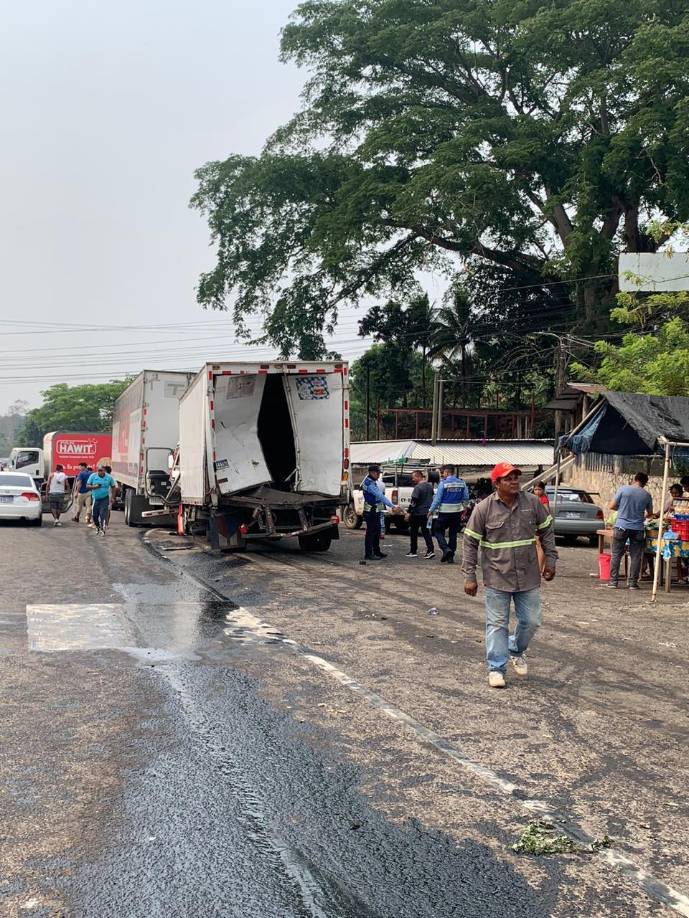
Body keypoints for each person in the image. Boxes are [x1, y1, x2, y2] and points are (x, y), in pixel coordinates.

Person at [462, 462, 557, 689]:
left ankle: (515, 649)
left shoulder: (532, 503)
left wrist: (551, 560)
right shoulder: (483, 509)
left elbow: (547, 531)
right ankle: (496, 667)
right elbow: (470, 542)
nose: (515, 481)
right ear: (497, 484)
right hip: (497, 577)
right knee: (497, 624)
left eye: (516, 477)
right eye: (508, 478)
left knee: (532, 621)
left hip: (528, 575)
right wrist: (469, 575)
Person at [607, 472, 654, 590]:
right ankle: (632, 583)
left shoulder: (623, 489)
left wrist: (622, 508)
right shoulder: (646, 495)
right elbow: (650, 514)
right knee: (636, 556)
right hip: (638, 528)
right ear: (645, 483)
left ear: (634, 479)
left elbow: (611, 506)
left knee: (616, 554)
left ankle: (613, 582)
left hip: (621, 526)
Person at [428, 464, 470, 563]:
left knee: (437, 531)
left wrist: (431, 510)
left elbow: (437, 499)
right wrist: (463, 508)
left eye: (443, 473)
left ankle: (446, 549)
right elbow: (466, 498)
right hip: (456, 512)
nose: (443, 475)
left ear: (446, 472)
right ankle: (450, 557)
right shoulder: (462, 483)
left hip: (444, 512)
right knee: (453, 534)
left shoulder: (443, 483)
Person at [361, 465, 400, 561]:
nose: (379, 475)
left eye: (379, 473)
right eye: (377, 473)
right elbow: (380, 496)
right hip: (371, 512)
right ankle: (368, 554)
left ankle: (376, 551)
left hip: (376, 511)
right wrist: (392, 506)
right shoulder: (369, 483)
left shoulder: (373, 482)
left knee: (377, 532)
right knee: (371, 533)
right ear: (371, 473)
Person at [406, 470, 435, 559]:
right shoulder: (430, 486)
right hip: (427, 513)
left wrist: (409, 512)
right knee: (426, 532)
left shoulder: (418, 487)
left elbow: (414, 501)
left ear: (418, 477)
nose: (413, 479)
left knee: (413, 532)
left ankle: (413, 551)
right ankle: (430, 550)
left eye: (413, 477)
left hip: (417, 513)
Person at [87, 466, 117, 536]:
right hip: (95, 498)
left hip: (104, 498)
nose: (100, 472)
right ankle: (97, 527)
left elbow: (113, 487)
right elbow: (87, 486)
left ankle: (102, 529)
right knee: (95, 515)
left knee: (102, 514)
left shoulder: (109, 477)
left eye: (101, 470)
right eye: (99, 470)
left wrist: (113, 497)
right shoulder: (93, 476)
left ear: (104, 471)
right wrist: (94, 487)